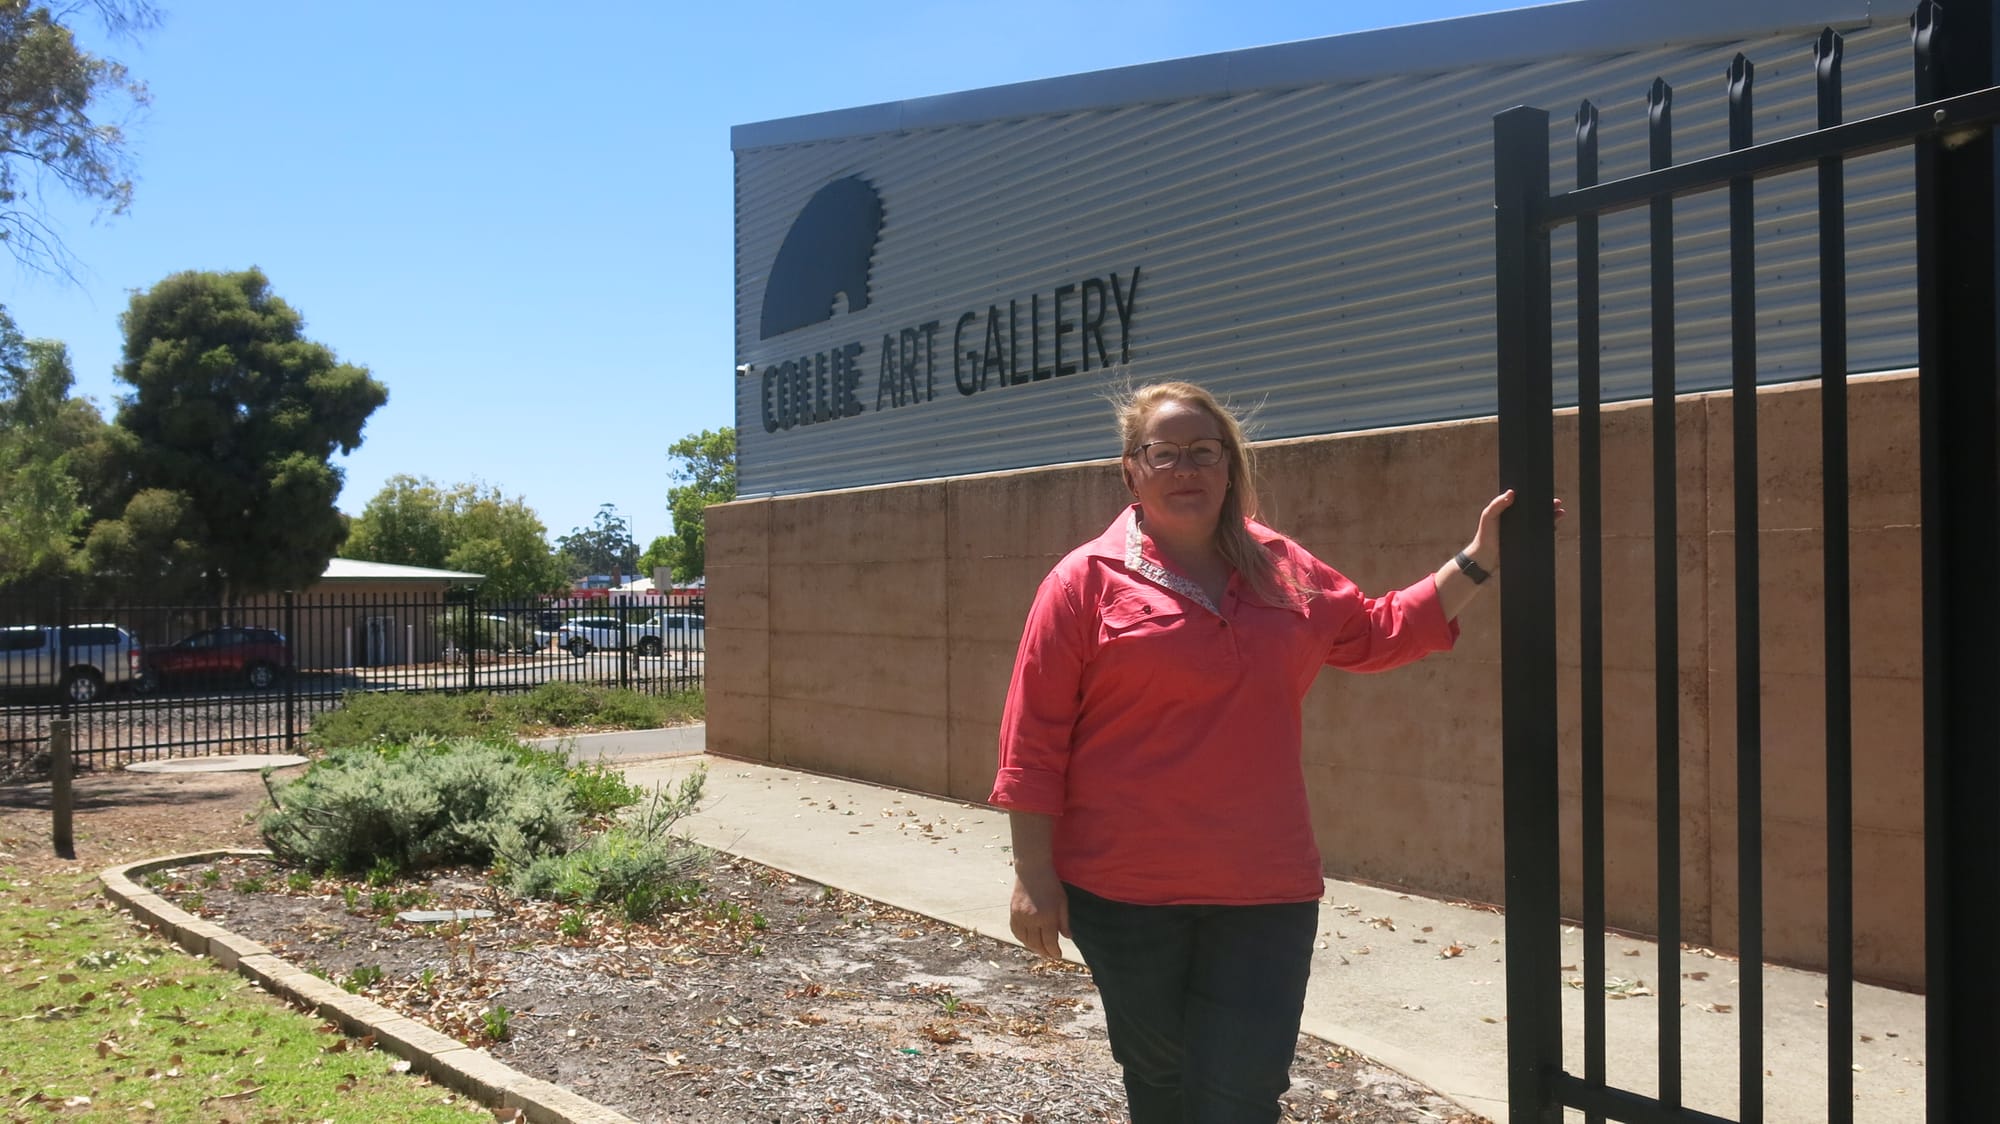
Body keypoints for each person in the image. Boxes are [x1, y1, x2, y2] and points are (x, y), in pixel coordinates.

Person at [990, 380, 1552, 1123]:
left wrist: (1479, 559)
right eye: (1164, 454)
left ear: (1230, 467)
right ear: (1132, 470)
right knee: (1159, 1078)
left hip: (1265, 891)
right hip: (1125, 893)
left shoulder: (1282, 567)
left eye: (1204, 451)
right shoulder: (1084, 583)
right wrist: (1034, 874)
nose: (1185, 468)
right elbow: (1034, 738)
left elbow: (1379, 631)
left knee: (1246, 1091)